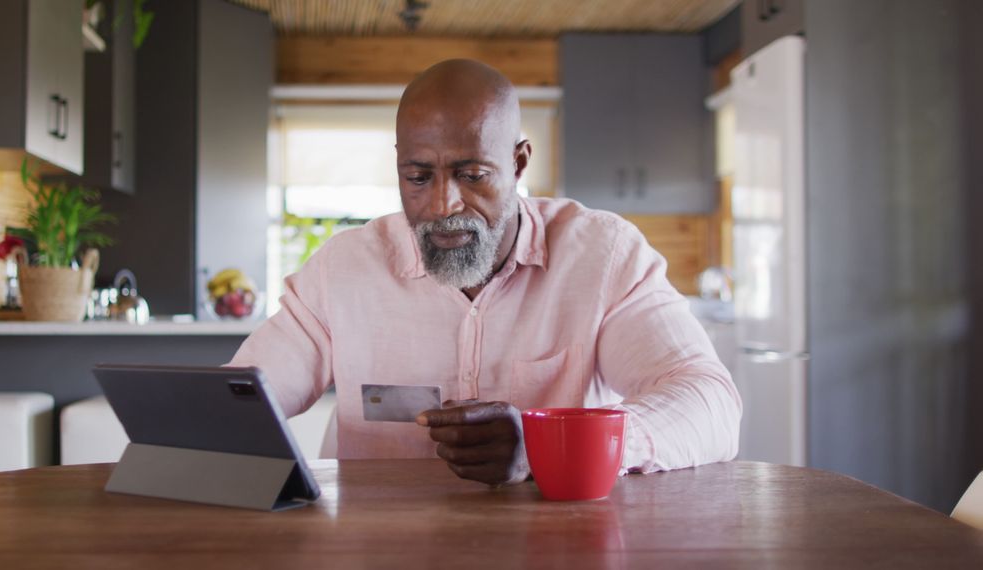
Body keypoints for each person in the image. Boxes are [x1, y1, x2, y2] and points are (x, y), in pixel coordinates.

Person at [229, 59, 741, 486]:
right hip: (379, 545)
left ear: (519, 164)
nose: (443, 204)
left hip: (557, 544)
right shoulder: (342, 269)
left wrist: (548, 445)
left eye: (472, 175)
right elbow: (245, 396)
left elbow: (710, 402)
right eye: (418, 177)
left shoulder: (603, 256)